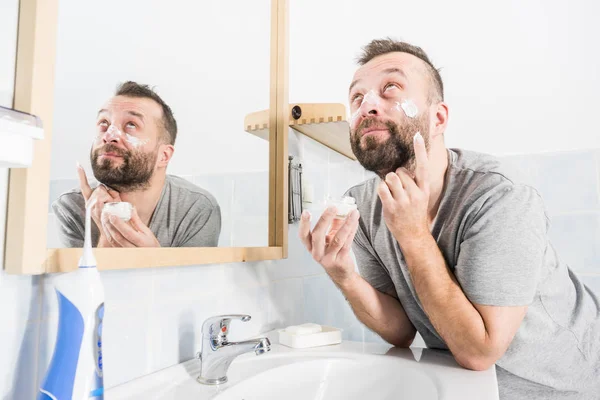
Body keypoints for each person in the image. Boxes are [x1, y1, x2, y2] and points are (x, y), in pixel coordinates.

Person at [299, 38, 600, 399]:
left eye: (390, 89)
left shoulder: (499, 195)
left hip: (561, 386)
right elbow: (401, 330)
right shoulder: (362, 205)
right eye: (357, 97)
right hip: (469, 387)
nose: (368, 106)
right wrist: (344, 276)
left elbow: (479, 351)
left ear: (438, 118)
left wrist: (413, 235)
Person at [53, 81, 221, 248]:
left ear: (163, 156)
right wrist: (106, 237)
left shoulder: (196, 209)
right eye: (104, 122)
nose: (109, 135)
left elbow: (195, 276)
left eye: (131, 125)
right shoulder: (72, 208)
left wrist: (155, 261)